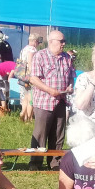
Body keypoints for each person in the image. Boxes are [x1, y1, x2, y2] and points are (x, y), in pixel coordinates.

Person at [28, 30, 75, 169]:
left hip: (61, 100)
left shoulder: (67, 57)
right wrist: (50, 90)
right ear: (52, 41)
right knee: (41, 132)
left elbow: (71, 75)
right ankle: (35, 162)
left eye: (64, 41)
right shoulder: (39, 56)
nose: (63, 44)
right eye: (61, 41)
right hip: (44, 101)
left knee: (58, 133)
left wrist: (70, 85)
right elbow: (33, 79)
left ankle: (55, 162)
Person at [15, 33, 41, 123]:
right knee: (31, 98)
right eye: (38, 42)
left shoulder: (24, 49)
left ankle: (23, 113)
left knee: (24, 97)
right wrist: (32, 74)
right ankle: (29, 118)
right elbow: (30, 62)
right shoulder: (32, 49)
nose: (38, 44)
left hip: (21, 75)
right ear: (34, 41)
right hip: (29, 76)